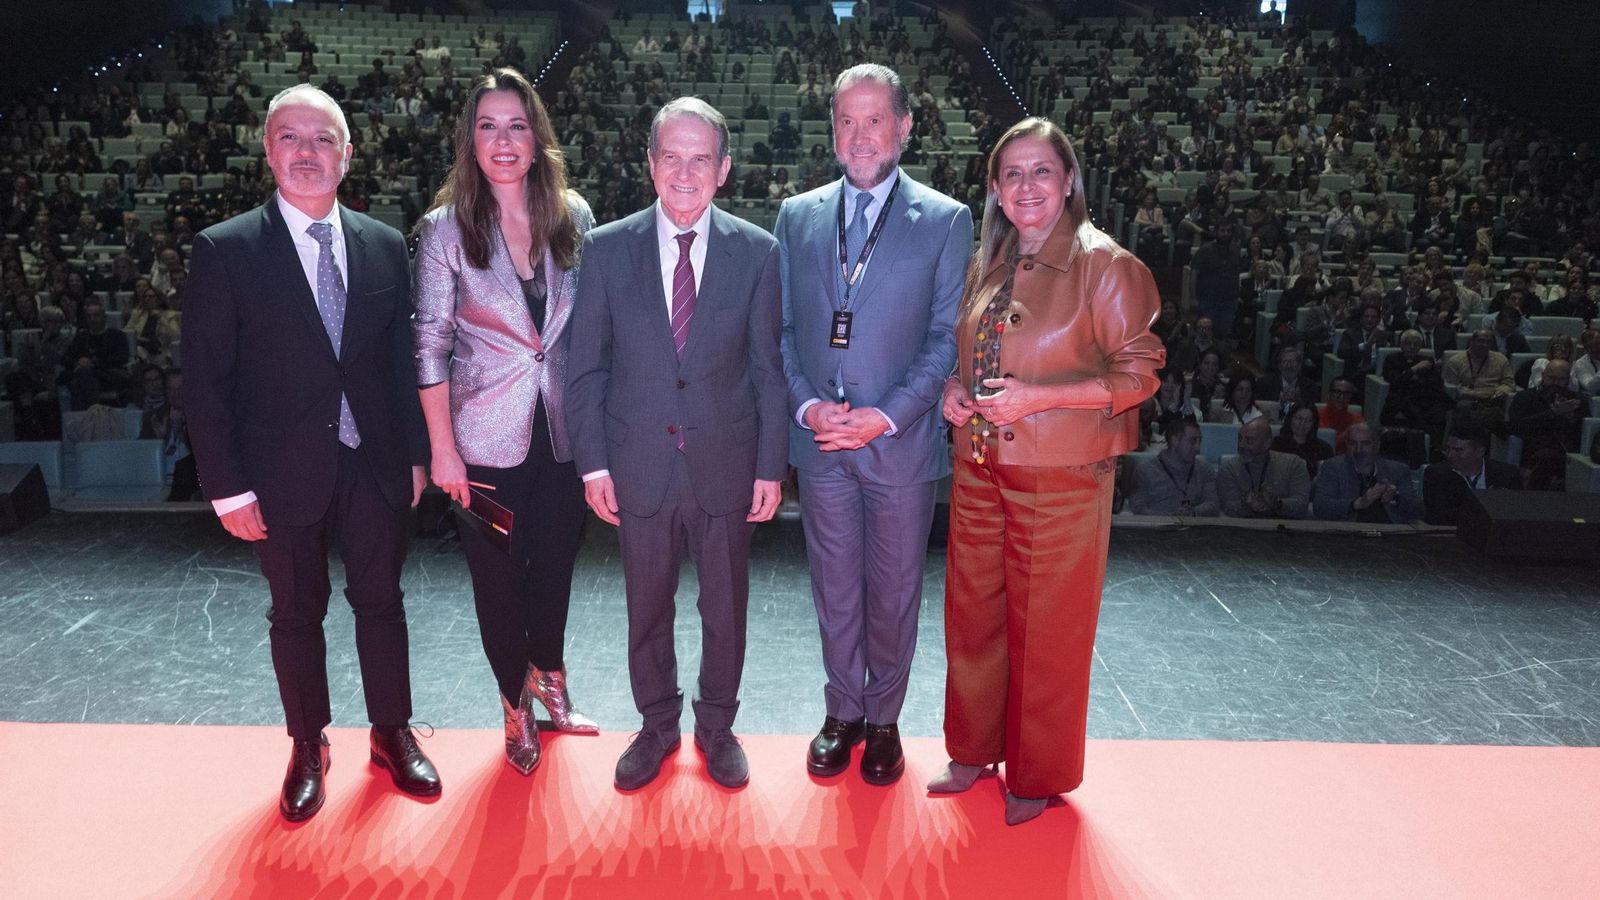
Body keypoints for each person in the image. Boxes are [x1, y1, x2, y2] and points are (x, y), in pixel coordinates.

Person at [183, 85, 438, 823]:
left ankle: (391, 733)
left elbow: (401, 363)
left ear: (346, 155)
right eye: (290, 138)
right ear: (268, 151)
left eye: (323, 139)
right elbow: (205, 380)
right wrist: (227, 488)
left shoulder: (384, 243)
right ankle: (306, 744)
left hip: (375, 462)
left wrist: (415, 455)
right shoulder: (225, 249)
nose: (307, 152)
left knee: (382, 603)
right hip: (278, 471)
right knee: (296, 613)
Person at [931, 117, 1162, 825]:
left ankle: (1037, 773)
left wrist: (1040, 400)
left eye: (1041, 171)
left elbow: (1139, 374)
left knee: (1048, 630)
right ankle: (973, 749)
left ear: (1069, 183)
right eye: (1012, 174)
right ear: (995, 189)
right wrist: (953, 387)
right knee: (973, 616)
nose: (1026, 186)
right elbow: (974, 351)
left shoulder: (1107, 265)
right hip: (979, 465)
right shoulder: (990, 260)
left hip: (1063, 477)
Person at [566, 97, 787, 792]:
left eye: (700, 159)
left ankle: (717, 728)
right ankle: (657, 724)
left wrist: (771, 467)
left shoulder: (759, 252)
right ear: (650, 163)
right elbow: (586, 368)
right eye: (671, 157)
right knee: (647, 607)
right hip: (638, 464)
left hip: (727, 463)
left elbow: (768, 371)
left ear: (724, 169)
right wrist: (593, 464)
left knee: (725, 611)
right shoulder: (606, 249)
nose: (685, 173)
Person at [775, 65, 972, 789]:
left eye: (875, 120)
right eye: (847, 121)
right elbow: (782, 329)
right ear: (833, 129)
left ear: (905, 127)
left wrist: (884, 415)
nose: (860, 136)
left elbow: (947, 338)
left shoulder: (946, 220)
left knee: (893, 594)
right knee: (834, 591)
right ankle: (843, 712)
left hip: (900, 443)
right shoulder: (796, 216)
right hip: (822, 442)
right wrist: (808, 407)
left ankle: (884, 719)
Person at [411, 70, 599, 777]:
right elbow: (428, 344)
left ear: (537, 136)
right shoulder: (443, 230)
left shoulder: (573, 215)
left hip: (563, 437)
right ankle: (515, 708)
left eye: (517, 125)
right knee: (498, 583)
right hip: (481, 445)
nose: (503, 140)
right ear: (470, 140)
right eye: (487, 126)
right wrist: (442, 451)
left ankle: (551, 680)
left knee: (554, 571)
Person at [1312, 423, 1423, 523]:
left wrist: (1396, 498)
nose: (1359, 450)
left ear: (1377, 445)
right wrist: (1356, 504)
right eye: (1353, 443)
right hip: (1348, 533)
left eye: (1366, 443)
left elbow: (1419, 511)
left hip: (1390, 532)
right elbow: (1320, 507)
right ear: (1346, 445)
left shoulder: (1398, 470)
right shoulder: (1333, 467)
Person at [1423, 425, 1523, 525]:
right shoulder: (1437, 474)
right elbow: (1440, 515)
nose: (1450, 455)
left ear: (1480, 452)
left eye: (1458, 450)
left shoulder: (1506, 473)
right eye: (1447, 449)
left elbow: (1519, 511)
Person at [1508, 359, 1584, 490]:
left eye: (1561, 379)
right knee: (1547, 458)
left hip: (1568, 453)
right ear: (1543, 375)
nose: (1555, 383)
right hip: (1532, 450)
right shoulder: (1525, 397)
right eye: (1551, 378)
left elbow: (1584, 434)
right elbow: (1516, 425)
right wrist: (1553, 413)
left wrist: (1571, 418)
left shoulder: (1577, 400)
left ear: (1568, 380)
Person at [1217, 418, 1311, 518]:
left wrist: (1278, 504)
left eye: (1249, 440)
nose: (1241, 445)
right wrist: (1246, 505)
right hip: (1244, 525)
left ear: (1267, 444)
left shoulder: (1293, 464)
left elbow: (1302, 505)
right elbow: (1227, 506)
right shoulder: (1229, 468)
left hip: (1286, 524)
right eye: (1240, 439)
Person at [1130, 418, 1218, 516]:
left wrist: (1192, 512)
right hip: (1157, 524)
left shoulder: (1205, 470)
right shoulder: (1145, 471)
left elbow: (1213, 505)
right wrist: (1169, 517)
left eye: (1199, 441)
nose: (1198, 447)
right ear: (1175, 440)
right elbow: (1138, 509)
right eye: (1192, 441)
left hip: (1193, 524)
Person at [1442, 329, 1515, 432]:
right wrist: (1473, 393)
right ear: (1472, 341)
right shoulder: (1456, 361)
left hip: (1494, 398)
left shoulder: (1501, 359)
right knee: (1464, 407)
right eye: (1481, 341)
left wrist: (1500, 391)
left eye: (1488, 342)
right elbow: (1451, 386)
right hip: (1468, 398)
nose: (1484, 345)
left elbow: (1509, 383)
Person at [1272, 403, 1335, 478]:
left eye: (1308, 420)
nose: (1302, 423)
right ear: (1290, 419)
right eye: (1299, 418)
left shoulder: (1324, 449)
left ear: (1314, 423)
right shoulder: (1277, 445)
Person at [1319, 378, 1366, 453]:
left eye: (1346, 394)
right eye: (1337, 392)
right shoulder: (1315, 418)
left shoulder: (1357, 421)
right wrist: (1344, 436)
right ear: (1329, 394)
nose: (1342, 397)